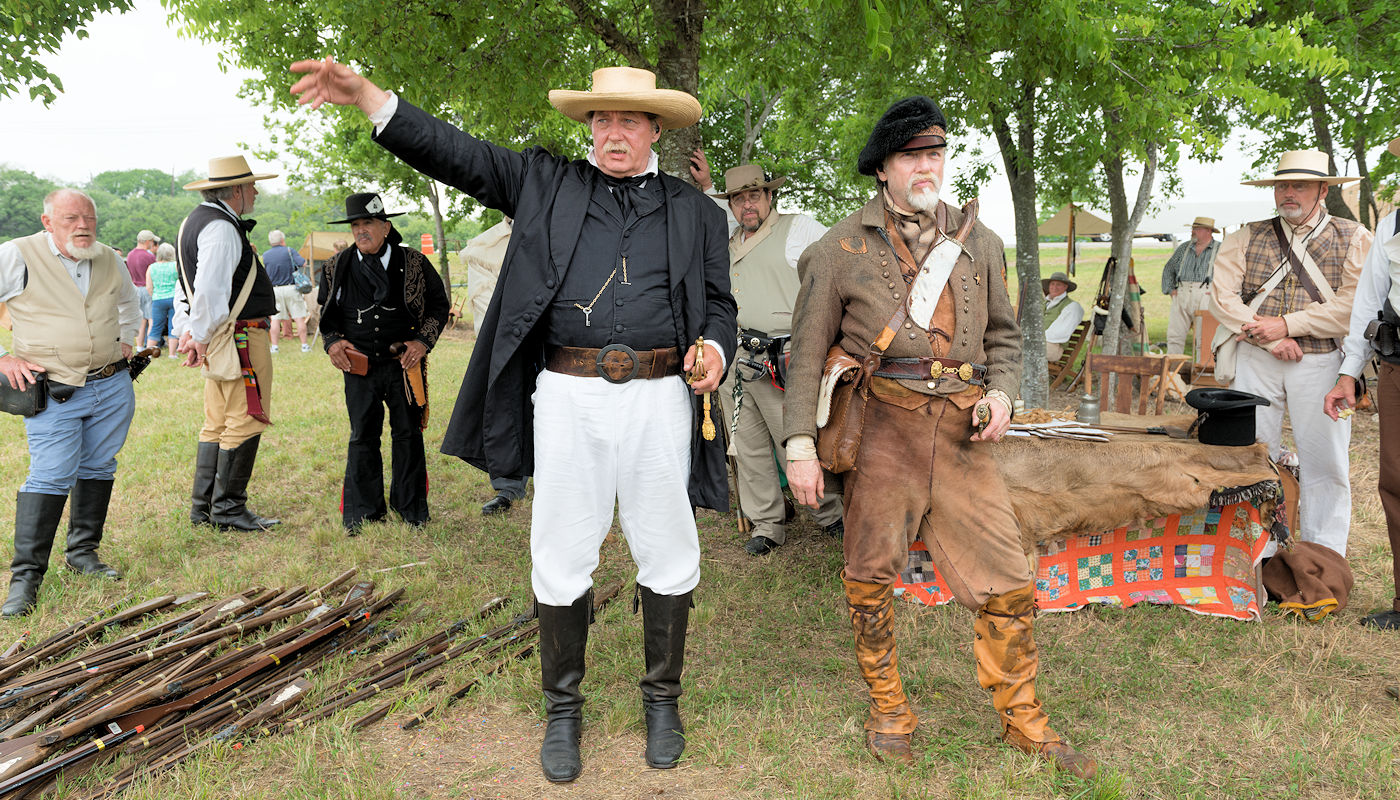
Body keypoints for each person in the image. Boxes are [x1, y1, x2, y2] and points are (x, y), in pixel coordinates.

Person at [291, 58, 735, 782]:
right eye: (601, 119)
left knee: (668, 545)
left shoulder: (695, 213)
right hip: (567, 392)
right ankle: (564, 710)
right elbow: (455, 151)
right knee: (560, 549)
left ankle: (663, 701)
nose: (613, 132)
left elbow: (719, 302)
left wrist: (714, 346)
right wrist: (370, 98)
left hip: (660, 395)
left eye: (628, 119)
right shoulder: (546, 183)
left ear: (656, 127)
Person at [783, 96, 1095, 777]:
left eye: (935, 154)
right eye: (911, 156)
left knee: (1010, 580)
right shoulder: (836, 248)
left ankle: (1023, 719)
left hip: (963, 432)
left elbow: (1007, 336)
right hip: (882, 430)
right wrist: (800, 446)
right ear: (883, 169)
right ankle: (889, 707)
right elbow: (804, 355)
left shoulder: (979, 241)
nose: (927, 167)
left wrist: (1003, 394)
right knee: (869, 574)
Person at [1211, 150, 1370, 557]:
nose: (1288, 192)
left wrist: (1288, 325)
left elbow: (1354, 308)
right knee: (1251, 456)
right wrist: (1268, 337)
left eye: (1299, 185)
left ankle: (1323, 557)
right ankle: (1252, 555)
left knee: (1325, 464)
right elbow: (1222, 298)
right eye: (1282, 185)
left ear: (1322, 190)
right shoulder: (1245, 235)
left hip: (1322, 363)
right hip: (1256, 358)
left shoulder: (1354, 237)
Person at [0, 189, 141, 616]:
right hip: (53, 389)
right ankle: (25, 578)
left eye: (88, 217)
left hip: (112, 386)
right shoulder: (16, 255)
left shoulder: (110, 258)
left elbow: (129, 303)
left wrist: (128, 339)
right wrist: (2, 358)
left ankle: (82, 553)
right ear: (47, 222)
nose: (82, 225)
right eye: (70, 218)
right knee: (50, 474)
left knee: (99, 465)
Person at [697, 158, 843, 555]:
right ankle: (766, 523)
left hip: (785, 359)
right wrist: (708, 185)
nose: (747, 205)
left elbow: (838, 272)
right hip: (736, 357)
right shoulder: (727, 241)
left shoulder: (800, 229)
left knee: (792, 438)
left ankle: (830, 513)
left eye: (755, 196)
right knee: (746, 445)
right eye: (739, 198)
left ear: (769, 195)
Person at [319, 192, 449, 532]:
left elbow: (439, 305)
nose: (361, 231)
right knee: (362, 435)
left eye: (369, 224)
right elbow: (327, 316)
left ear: (386, 226)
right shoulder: (335, 267)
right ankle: (362, 512)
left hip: (404, 366)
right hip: (358, 368)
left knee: (407, 434)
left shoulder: (416, 263)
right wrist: (332, 343)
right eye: (356, 225)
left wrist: (422, 342)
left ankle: (411, 510)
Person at [174, 155, 282, 533]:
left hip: (219, 335)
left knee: (216, 422)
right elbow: (207, 289)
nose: (255, 191)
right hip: (238, 336)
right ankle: (228, 509)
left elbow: (184, 287)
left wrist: (190, 330)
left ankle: (203, 508)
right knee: (244, 419)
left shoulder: (195, 221)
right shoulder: (220, 228)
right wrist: (198, 336)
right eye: (251, 185)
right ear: (235, 190)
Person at [1324, 135, 1400, 629]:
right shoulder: (1394, 224)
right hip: (1397, 368)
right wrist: (1349, 373)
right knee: (1396, 484)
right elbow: (1369, 306)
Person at [461, 217, 528, 515]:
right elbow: (488, 306)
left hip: (567, 339)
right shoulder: (483, 248)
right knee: (507, 407)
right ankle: (509, 485)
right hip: (510, 339)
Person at [1162, 216, 1221, 354]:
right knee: (1174, 335)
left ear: (1208, 231)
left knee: (1204, 337)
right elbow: (1169, 269)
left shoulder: (1220, 249)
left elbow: (1230, 273)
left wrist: (1218, 294)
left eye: (1197, 229)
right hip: (1182, 293)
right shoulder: (1184, 248)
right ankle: (1173, 372)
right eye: (1193, 228)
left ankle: (1202, 372)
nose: (1193, 231)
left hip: (1206, 295)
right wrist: (1171, 290)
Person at [263, 229, 311, 353]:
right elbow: (303, 263)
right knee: (299, 318)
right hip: (291, 288)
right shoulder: (289, 250)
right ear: (282, 240)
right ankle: (304, 345)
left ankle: (274, 347)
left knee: (275, 319)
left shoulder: (266, 255)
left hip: (275, 290)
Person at [146, 242, 181, 354]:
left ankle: (147, 354)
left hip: (158, 299)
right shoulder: (176, 265)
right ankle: (172, 354)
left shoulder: (151, 267)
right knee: (173, 326)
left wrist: (155, 295)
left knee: (156, 326)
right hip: (173, 299)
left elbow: (149, 287)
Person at [1041, 270, 1084, 363]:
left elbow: (1059, 332)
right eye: (1052, 284)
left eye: (1058, 284)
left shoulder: (1072, 306)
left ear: (1065, 287)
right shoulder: (1044, 303)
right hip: (1039, 342)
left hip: (1053, 347)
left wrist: (1035, 339)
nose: (1054, 287)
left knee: (1018, 350)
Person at [126, 229, 158, 347]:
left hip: (136, 289)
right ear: (148, 241)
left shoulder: (130, 255)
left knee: (141, 320)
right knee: (151, 319)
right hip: (148, 289)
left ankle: (139, 346)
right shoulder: (149, 256)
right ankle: (150, 346)